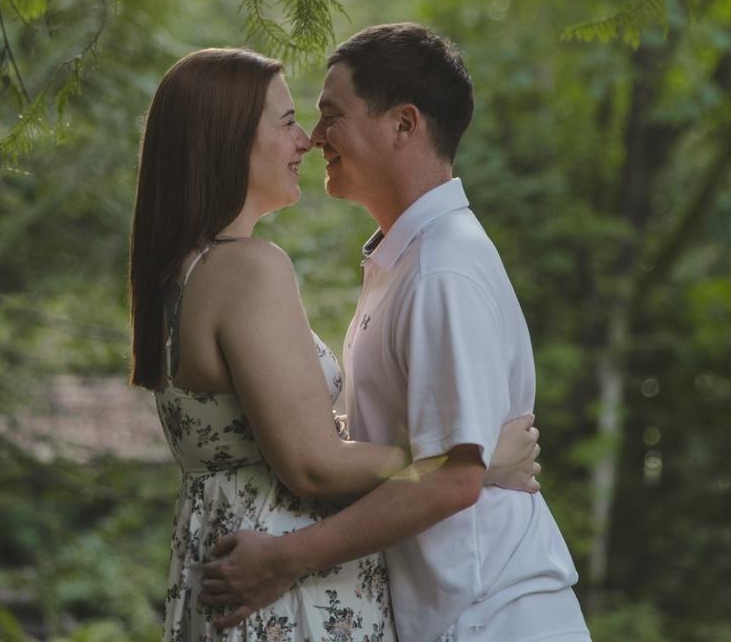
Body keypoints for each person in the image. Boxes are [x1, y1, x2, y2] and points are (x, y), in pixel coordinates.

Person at [128, 47, 542, 641]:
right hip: (279, 585)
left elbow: (280, 430)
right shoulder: (249, 268)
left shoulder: (187, 272)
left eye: (316, 118)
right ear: (227, 138)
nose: (308, 140)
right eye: (288, 120)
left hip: (235, 561)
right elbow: (314, 463)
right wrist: (462, 460)